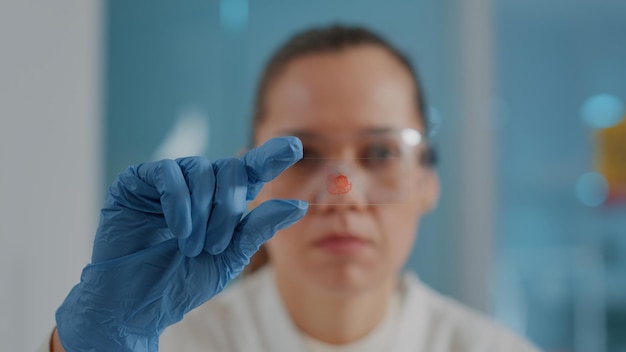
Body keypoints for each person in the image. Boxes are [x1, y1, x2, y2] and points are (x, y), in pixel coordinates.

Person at [44, 25, 540, 352]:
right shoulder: (169, 342)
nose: (342, 196)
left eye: (382, 153)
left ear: (428, 182)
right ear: (248, 178)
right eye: (302, 155)